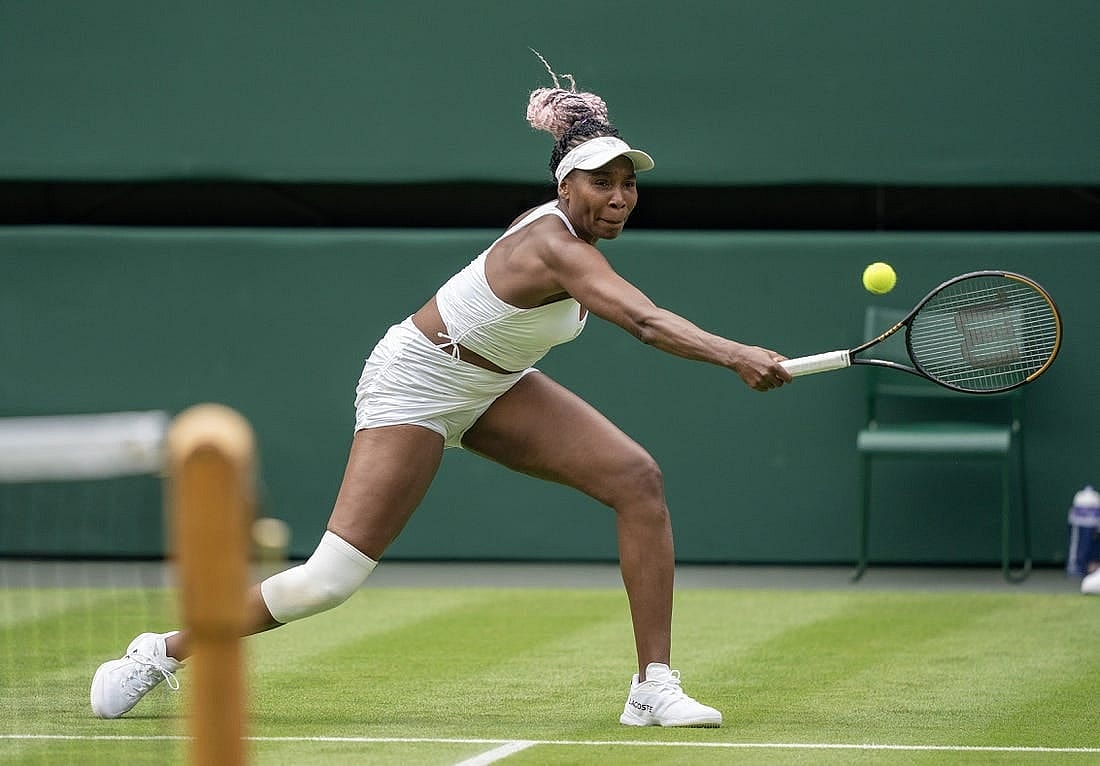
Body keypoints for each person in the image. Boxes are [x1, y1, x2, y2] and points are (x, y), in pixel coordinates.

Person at [90, 59, 792, 728]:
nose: (617, 197)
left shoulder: (580, 245)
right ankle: (162, 651)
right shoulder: (553, 246)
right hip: (417, 382)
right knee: (329, 581)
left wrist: (735, 354)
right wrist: (736, 355)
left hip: (493, 384)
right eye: (599, 182)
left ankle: (652, 687)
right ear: (564, 187)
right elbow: (643, 320)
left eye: (627, 184)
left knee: (637, 480)